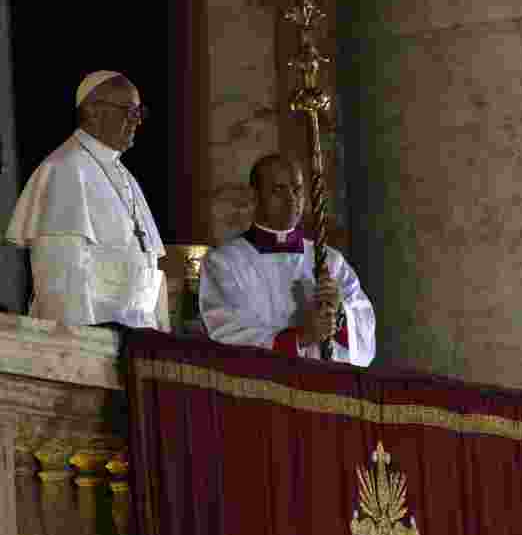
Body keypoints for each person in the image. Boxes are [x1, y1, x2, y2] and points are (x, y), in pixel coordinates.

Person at [4, 71, 168, 330]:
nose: (137, 121)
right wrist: (76, 345)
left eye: (139, 113)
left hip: (137, 337)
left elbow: (148, 267)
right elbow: (61, 277)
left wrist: (159, 332)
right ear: (93, 112)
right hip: (94, 340)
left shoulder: (123, 174)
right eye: (129, 111)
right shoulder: (64, 170)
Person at [198, 154, 375, 366]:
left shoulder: (330, 261)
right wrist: (300, 338)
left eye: (297, 189)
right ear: (254, 196)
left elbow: (364, 340)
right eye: (278, 190)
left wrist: (340, 314)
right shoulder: (224, 263)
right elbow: (227, 335)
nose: (291, 199)